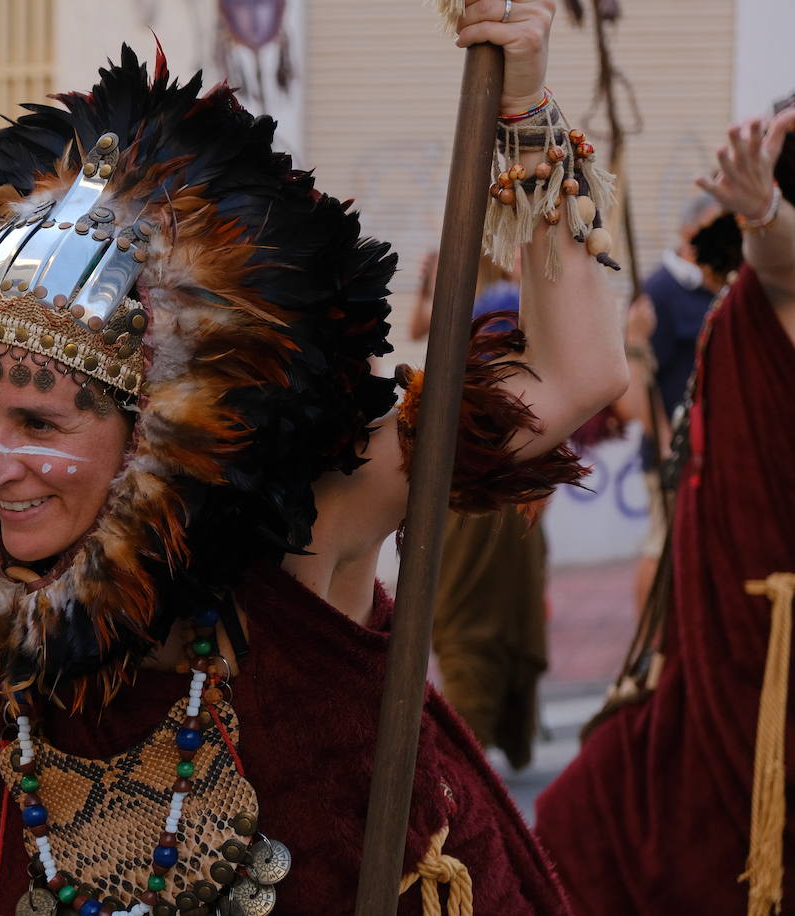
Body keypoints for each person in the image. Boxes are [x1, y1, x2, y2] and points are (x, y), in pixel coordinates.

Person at [0, 5, 626, 913]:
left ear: (152, 422)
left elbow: (573, 376)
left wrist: (525, 104)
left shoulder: (306, 522)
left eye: (41, 424)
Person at [535, 100, 795, 915]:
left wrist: (767, 214)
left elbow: (782, 259)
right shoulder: (727, 295)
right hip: (710, 609)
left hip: (766, 638)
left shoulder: (772, 278)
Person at [409, 254, 550, 770]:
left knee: (480, 627)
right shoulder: (493, 305)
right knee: (472, 629)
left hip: (496, 478)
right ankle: (466, 772)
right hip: (480, 478)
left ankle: (468, 770)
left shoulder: (509, 303)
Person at [615, 194, 724, 614]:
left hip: (712, 450)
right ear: (688, 232)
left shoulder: (722, 284)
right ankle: (649, 653)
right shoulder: (659, 291)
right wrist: (663, 441)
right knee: (664, 544)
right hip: (672, 451)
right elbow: (634, 384)